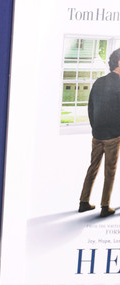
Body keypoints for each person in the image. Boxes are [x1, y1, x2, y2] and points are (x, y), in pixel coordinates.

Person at [78, 47, 120, 218]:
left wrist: (95, 128)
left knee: (92, 167)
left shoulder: (99, 82)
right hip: (113, 136)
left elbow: (90, 107)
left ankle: (83, 202)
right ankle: (105, 206)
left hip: (97, 134)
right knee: (110, 171)